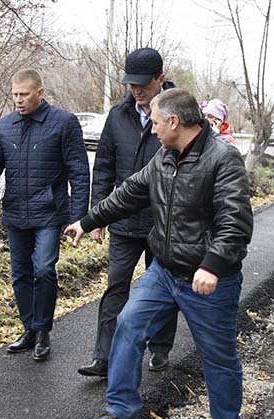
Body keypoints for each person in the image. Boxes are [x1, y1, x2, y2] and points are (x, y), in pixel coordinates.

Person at [66, 89, 253, 419]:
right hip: (164, 272)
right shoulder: (164, 157)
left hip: (209, 280)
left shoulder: (223, 159)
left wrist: (212, 265)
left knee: (218, 357)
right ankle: (122, 413)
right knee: (129, 324)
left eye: (154, 122)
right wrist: (87, 222)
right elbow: (130, 193)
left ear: (174, 122)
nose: (151, 130)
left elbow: (236, 223)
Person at [0, 69, 90, 361]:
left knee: (43, 269)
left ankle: (43, 330)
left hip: (49, 212)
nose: (18, 100)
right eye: (15, 95)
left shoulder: (63, 123)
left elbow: (79, 172)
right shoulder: (5, 126)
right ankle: (29, 328)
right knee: (20, 274)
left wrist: (80, 217)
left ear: (40, 93)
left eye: (24, 94)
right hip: (16, 211)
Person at [78, 47, 177, 378]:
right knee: (116, 286)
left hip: (162, 222)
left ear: (160, 80)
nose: (136, 90)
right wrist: (98, 214)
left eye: (143, 85)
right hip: (122, 220)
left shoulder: (176, 117)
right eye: (131, 84)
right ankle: (103, 356)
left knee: (163, 288)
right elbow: (103, 165)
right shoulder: (118, 115)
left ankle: (160, 348)